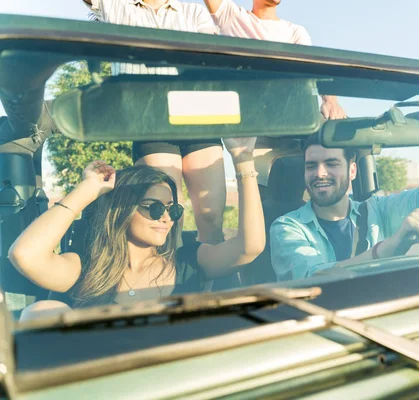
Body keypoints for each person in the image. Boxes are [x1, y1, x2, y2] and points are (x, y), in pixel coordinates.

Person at [9, 137, 265, 321]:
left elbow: (249, 247)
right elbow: (25, 255)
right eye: (154, 208)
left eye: (173, 210)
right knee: (42, 311)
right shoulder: (87, 268)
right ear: (123, 209)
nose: (166, 218)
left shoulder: (188, 260)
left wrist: (243, 161)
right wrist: (87, 190)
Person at [83, 0, 227, 245]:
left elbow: (211, 59)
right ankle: (173, 280)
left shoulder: (193, 12)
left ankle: (213, 281)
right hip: (150, 120)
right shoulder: (114, 5)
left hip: (198, 114)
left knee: (212, 216)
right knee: (168, 218)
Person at [270, 135, 419, 281]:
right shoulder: (287, 227)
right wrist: (391, 246)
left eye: (331, 164)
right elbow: (313, 278)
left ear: (352, 171)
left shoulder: (376, 210)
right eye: (311, 166)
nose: (319, 173)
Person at [203, 0, 346, 120]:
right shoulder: (232, 17)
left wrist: (331, 100)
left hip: (290, 122)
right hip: (250, 132)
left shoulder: (295, 32)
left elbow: (312, 69)